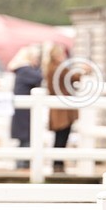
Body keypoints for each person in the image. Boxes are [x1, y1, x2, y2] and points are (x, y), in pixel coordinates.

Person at [43, 42, 80, 174]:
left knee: (60, 137)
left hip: (60, 107)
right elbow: (74, 77)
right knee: (62, 136)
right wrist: (83, 71)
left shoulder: (52, 67)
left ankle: (58, 164)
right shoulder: (58, 68)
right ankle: (58, 164)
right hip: (62, 109)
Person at [9, 47, 43, 170]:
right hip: (24, 111)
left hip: (23, 111)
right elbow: (40, 77)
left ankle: (22, 163)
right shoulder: (25, 70)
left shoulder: (22, 70)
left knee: (25, 137)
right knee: (26, 137)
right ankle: (22, 164)